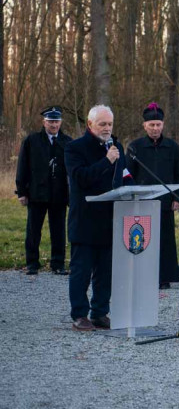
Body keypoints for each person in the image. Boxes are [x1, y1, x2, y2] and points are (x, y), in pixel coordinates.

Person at [64, 105, 129, 331]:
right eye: (102, 124)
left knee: (105, 272)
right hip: (84, 219)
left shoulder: (117, 147)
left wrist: (131, 191)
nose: (107, 128)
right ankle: (80, 314)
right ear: (90, 125)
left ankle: (100, 312)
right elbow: (80, 178)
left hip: (110, 219)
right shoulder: (74, 148)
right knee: (81, 271)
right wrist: (106, 161)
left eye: (110, 124)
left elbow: (125, 176)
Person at [126, 103, 179, 289]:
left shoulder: (172, 146)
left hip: (165, 201)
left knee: (165, 239)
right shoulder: (135, 147)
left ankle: (164, 277)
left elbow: (178, 173)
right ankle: (141, 274)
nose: (155, 128)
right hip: (142, 202)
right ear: (145, 126)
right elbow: (129, 174)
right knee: (142, 238)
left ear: (163, 125)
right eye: (151, 125)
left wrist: (177, 197)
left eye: (158, 125)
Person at [16, 105, 71, 276]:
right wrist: (22, 192)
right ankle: (32, 263)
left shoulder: (67, 142)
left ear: (60, 122)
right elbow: (22, 167)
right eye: (50, 121)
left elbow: (72, 170)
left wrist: (72, 194)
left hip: (59, 194)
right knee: (33, 230)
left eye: (56, 121)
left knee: (59, 230)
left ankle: (58, 263)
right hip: (36, 193)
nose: (54, 125)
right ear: (44, 122)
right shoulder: (32, 141)